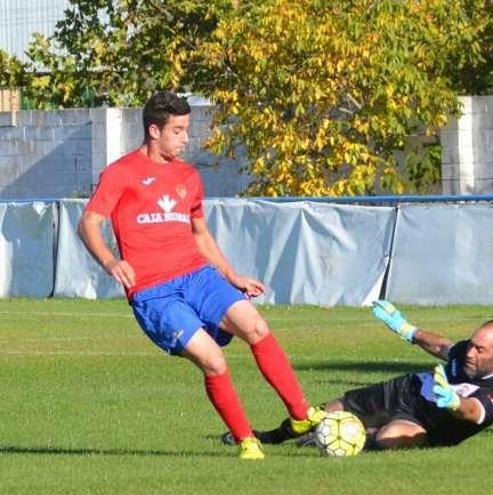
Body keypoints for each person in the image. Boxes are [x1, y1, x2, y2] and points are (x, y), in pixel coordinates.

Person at [77, 91, 323, 460]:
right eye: (178, 130)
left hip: (197, 276)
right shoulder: (121, 173)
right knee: (213, 360)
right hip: (154, 292)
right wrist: (111, 263)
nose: (185, 138)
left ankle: (301, 416)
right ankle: (247, 441)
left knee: (255, 325)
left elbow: (200, 235)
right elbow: (88, 224)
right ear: (154, 130)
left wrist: (231, 275)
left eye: (186, 129)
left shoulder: (187, 176)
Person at [228, 300, 493, 450]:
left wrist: (453, 401)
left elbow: (471, 411)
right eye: (472, 345)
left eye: (480, 350)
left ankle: (342, 438)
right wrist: (405, 329)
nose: (470, 353)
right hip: (406, 391)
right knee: (324, 411)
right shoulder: (465, 351)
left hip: (425, 424)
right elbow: (441, 345)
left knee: (389, 440)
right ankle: (272, 437)